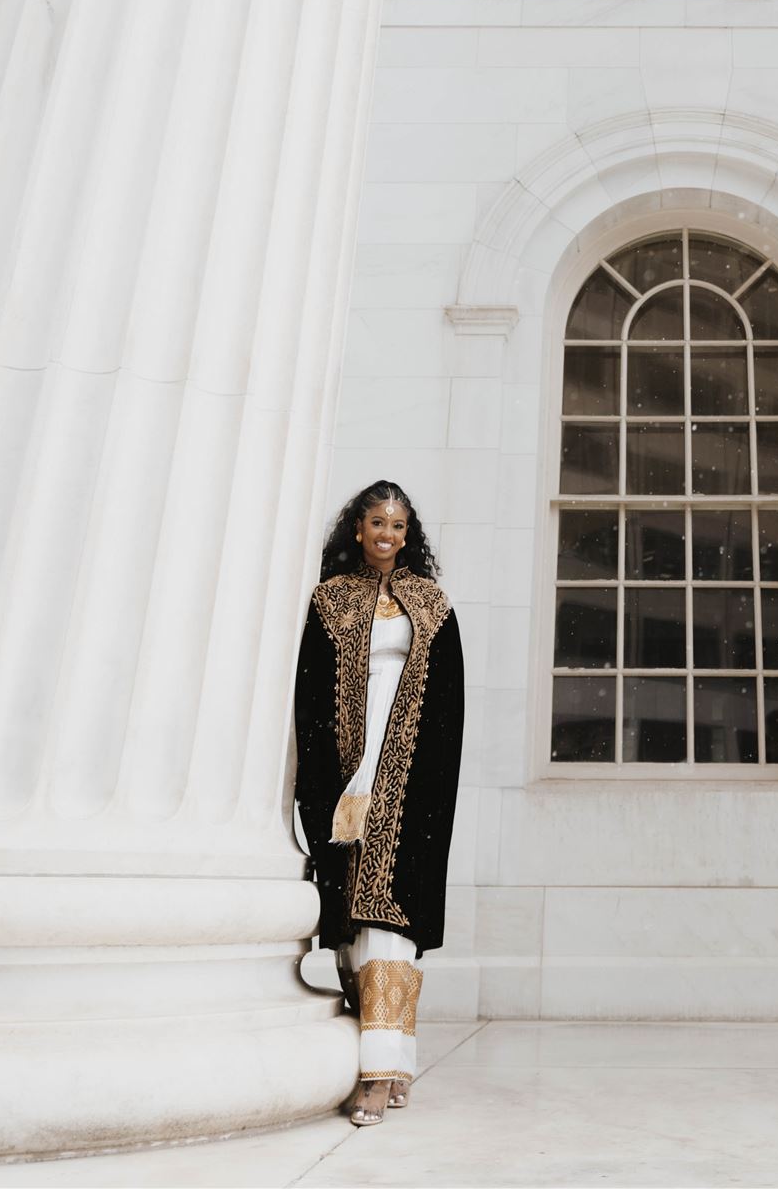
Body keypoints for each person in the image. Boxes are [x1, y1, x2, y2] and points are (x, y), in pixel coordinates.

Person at [295, 480, 464, 1128]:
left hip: (409, 781)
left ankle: (378, 1074)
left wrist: (422, 789)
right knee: (351, 929)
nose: (386, 535)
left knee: (390, 928)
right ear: (357, 531)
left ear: (407, 533)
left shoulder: (431, 604)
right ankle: (385, 1062)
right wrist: (318, 782)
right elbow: (308, 698)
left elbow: (447, 712)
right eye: (375, 524)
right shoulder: (330, 601)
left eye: (397, 525)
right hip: (345, 775)